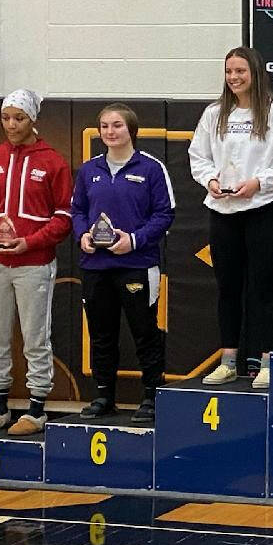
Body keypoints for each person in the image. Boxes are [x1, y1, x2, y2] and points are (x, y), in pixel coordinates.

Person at [190, 48, 273, 388]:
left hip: (263, 211)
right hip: (223, 212)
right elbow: (198, 157)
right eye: (229, 71)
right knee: (228, 288)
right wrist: (210, 180)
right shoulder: (214, 114)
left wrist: (259, 183)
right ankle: (228, 361)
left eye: (240, 71)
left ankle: (268, 360)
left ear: (255, 73)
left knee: (264, 287)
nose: (234, 77)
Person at [0, 89, 72, 435]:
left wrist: (30, 242)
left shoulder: (53, 161)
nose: (11, 125)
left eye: (19, 118)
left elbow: (64, 217)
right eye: (5, 118)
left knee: (35, 337)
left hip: (34, 264)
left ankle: (36, 409)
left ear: (33, 119)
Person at [71, 104, 176, 422]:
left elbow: (164, 214)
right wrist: (83, 236)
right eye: (104, 126)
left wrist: (133, 240)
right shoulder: (88, 170)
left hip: (137, 265)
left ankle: (152, 397)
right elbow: (77, 211)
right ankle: (103, 396)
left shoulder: (151, 168)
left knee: (145, 332)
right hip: (95, 266)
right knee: (101, 334)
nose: (110, 131)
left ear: (131, 129)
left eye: (117, 125)